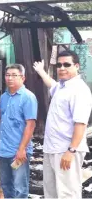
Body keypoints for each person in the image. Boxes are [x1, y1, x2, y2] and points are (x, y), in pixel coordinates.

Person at [33, 50, 92, 198]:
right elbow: (51, 84)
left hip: (66, 151)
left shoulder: (79, 90)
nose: (62, 68)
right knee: (51, 192)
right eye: (59, 65)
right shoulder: (62, 87)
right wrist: (41, 71)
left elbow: (81, 124)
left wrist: (71, 151)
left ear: (77, 66)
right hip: (51, 149)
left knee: (67, 193)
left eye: (67, 64)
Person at [0, 64, 38, 198]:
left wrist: (22, 149)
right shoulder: (4, 97)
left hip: (18, 153)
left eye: (14, 75)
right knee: (6, 185)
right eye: (7, 75)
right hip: (4, 151)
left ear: (23, 78)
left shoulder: (28, 97)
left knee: (20, 188)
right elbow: (2, 124)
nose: (10, 78)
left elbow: (30, 125)